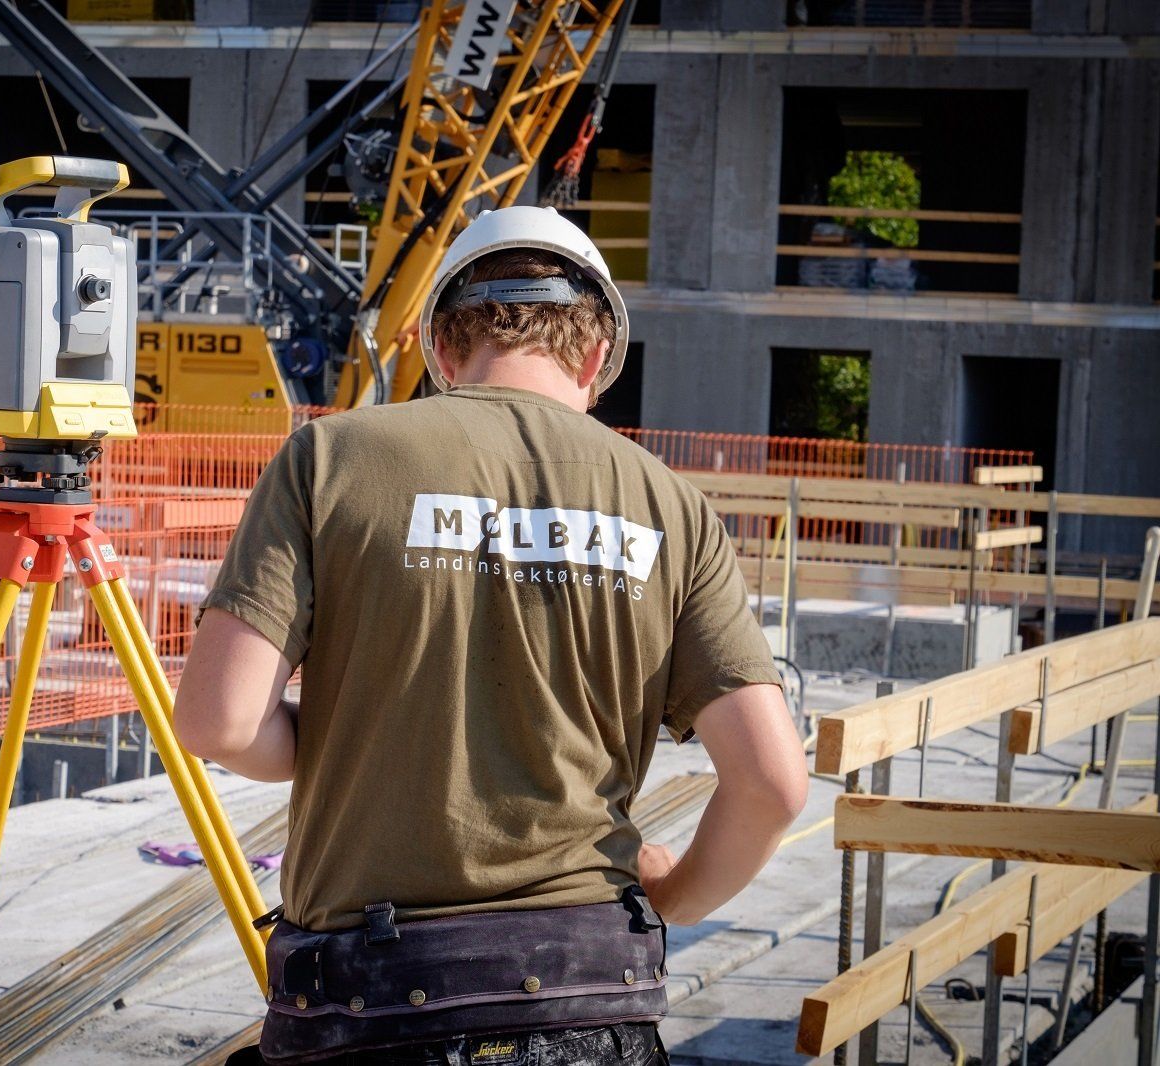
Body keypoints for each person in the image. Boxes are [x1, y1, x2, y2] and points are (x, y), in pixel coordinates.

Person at [174, 206, 809, 1066]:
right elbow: (772, 781)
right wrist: (677, 895)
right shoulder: (673, 507)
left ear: (439, 349)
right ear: (595, 358)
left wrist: (347, 731)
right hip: (594, 994)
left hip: (372, 999)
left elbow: (218, 723)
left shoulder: (332, 457)